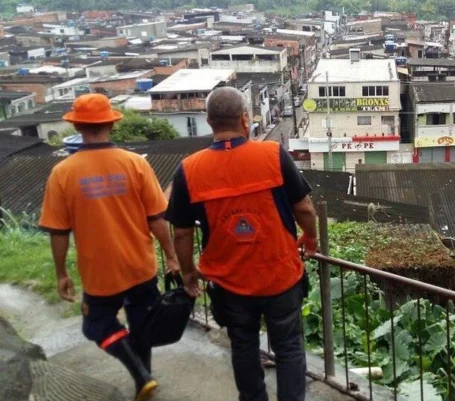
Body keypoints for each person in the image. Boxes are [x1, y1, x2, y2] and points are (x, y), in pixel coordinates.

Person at [165, 87, 317, 401]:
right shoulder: (273, 155)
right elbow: (303, 207)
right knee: (288, 347)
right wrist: (311, 236)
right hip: (280, 275)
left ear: (209, 122)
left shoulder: (189, 170)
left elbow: (181, 232)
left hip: (229, 281)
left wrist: (189, 272)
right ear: (245, 119)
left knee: (244, 345)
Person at [38, 93, 180, 401]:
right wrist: (170, 255)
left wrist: (61, 272)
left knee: (96, 325)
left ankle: (141, 377)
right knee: (142, 325)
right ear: (111, 125)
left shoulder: (62, 173)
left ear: (76, 126)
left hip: (100, 273)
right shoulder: (134, 164)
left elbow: (58, 231)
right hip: (140, 265)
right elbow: (157, 219)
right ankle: (145, 379)